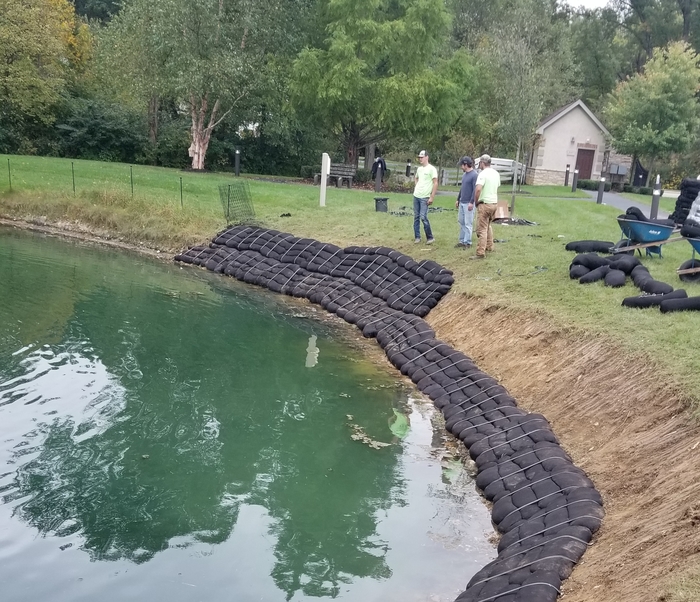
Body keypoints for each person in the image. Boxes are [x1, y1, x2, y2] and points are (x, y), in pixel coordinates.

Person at [471, 154, 501, 259]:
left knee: (481, 229)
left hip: (485, 203)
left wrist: (476, 201)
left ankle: (480, 253)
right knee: (488, 225)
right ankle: (489, 246)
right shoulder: (496, 173)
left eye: (480, 163)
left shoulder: (483, 174)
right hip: (494, 204)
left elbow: (478, 189)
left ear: (482, 163)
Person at [413, 150, 438, 244]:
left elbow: (435, 183)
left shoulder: (432, 169)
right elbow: (416, 178)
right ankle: (417, 237)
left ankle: (430, 237)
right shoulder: (419, 169)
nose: (420, 159)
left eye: (422, 157)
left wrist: (432, 197)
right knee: (416, 217)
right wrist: (417, 186)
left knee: (423, 217)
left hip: (425, 197)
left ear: (427, 157)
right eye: (419, 157)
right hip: (416, 196)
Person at [455, 156, 477, 248]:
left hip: (469, 202)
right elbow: (462, 188)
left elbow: (475, 190)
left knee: (468, 223)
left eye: (462, 165)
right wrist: (458, 199)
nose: (461, 167)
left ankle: (467, 242)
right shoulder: (464, 175)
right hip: (462, 201)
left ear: (466, 165)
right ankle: (462, 240)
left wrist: (471, 202)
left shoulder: (474, 175)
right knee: (462, 221)